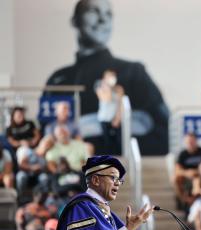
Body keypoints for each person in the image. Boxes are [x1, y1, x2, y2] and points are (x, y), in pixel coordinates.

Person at [45, 0, 169, 155]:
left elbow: (163, 133)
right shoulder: (58, 79)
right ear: (75, 20)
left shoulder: (134, 72)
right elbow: (46, 130)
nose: (103, 20)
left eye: (108, 14)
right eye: (93, 11)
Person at [56, 155, 193, 230]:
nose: (117, 184)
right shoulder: (81, 207)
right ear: (96, 180)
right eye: (113, 178)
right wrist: (129, 228)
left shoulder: (101, 209)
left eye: (119, 180)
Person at [174, 133, 201, 208]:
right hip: (187, 177)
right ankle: (183, 200)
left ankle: (196, 198)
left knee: (197, 179)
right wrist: (187, 173)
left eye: (192, 141)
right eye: (188, 141)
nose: (190, 143)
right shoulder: (182, 154)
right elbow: (177, 170)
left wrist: (196, 172)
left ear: (196, 141)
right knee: (175, 178)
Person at [95, 69, 124, 154]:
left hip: (116, 119)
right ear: (104, 78)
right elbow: (108, 99)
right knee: (107, 142)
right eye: (109, 76)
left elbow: (120, 104)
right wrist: (107, 87)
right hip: (104, 118)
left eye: (113, 76)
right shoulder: (100, 88)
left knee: (119, 141)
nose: (112, 78)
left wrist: (118, 118)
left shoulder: (119, 88)